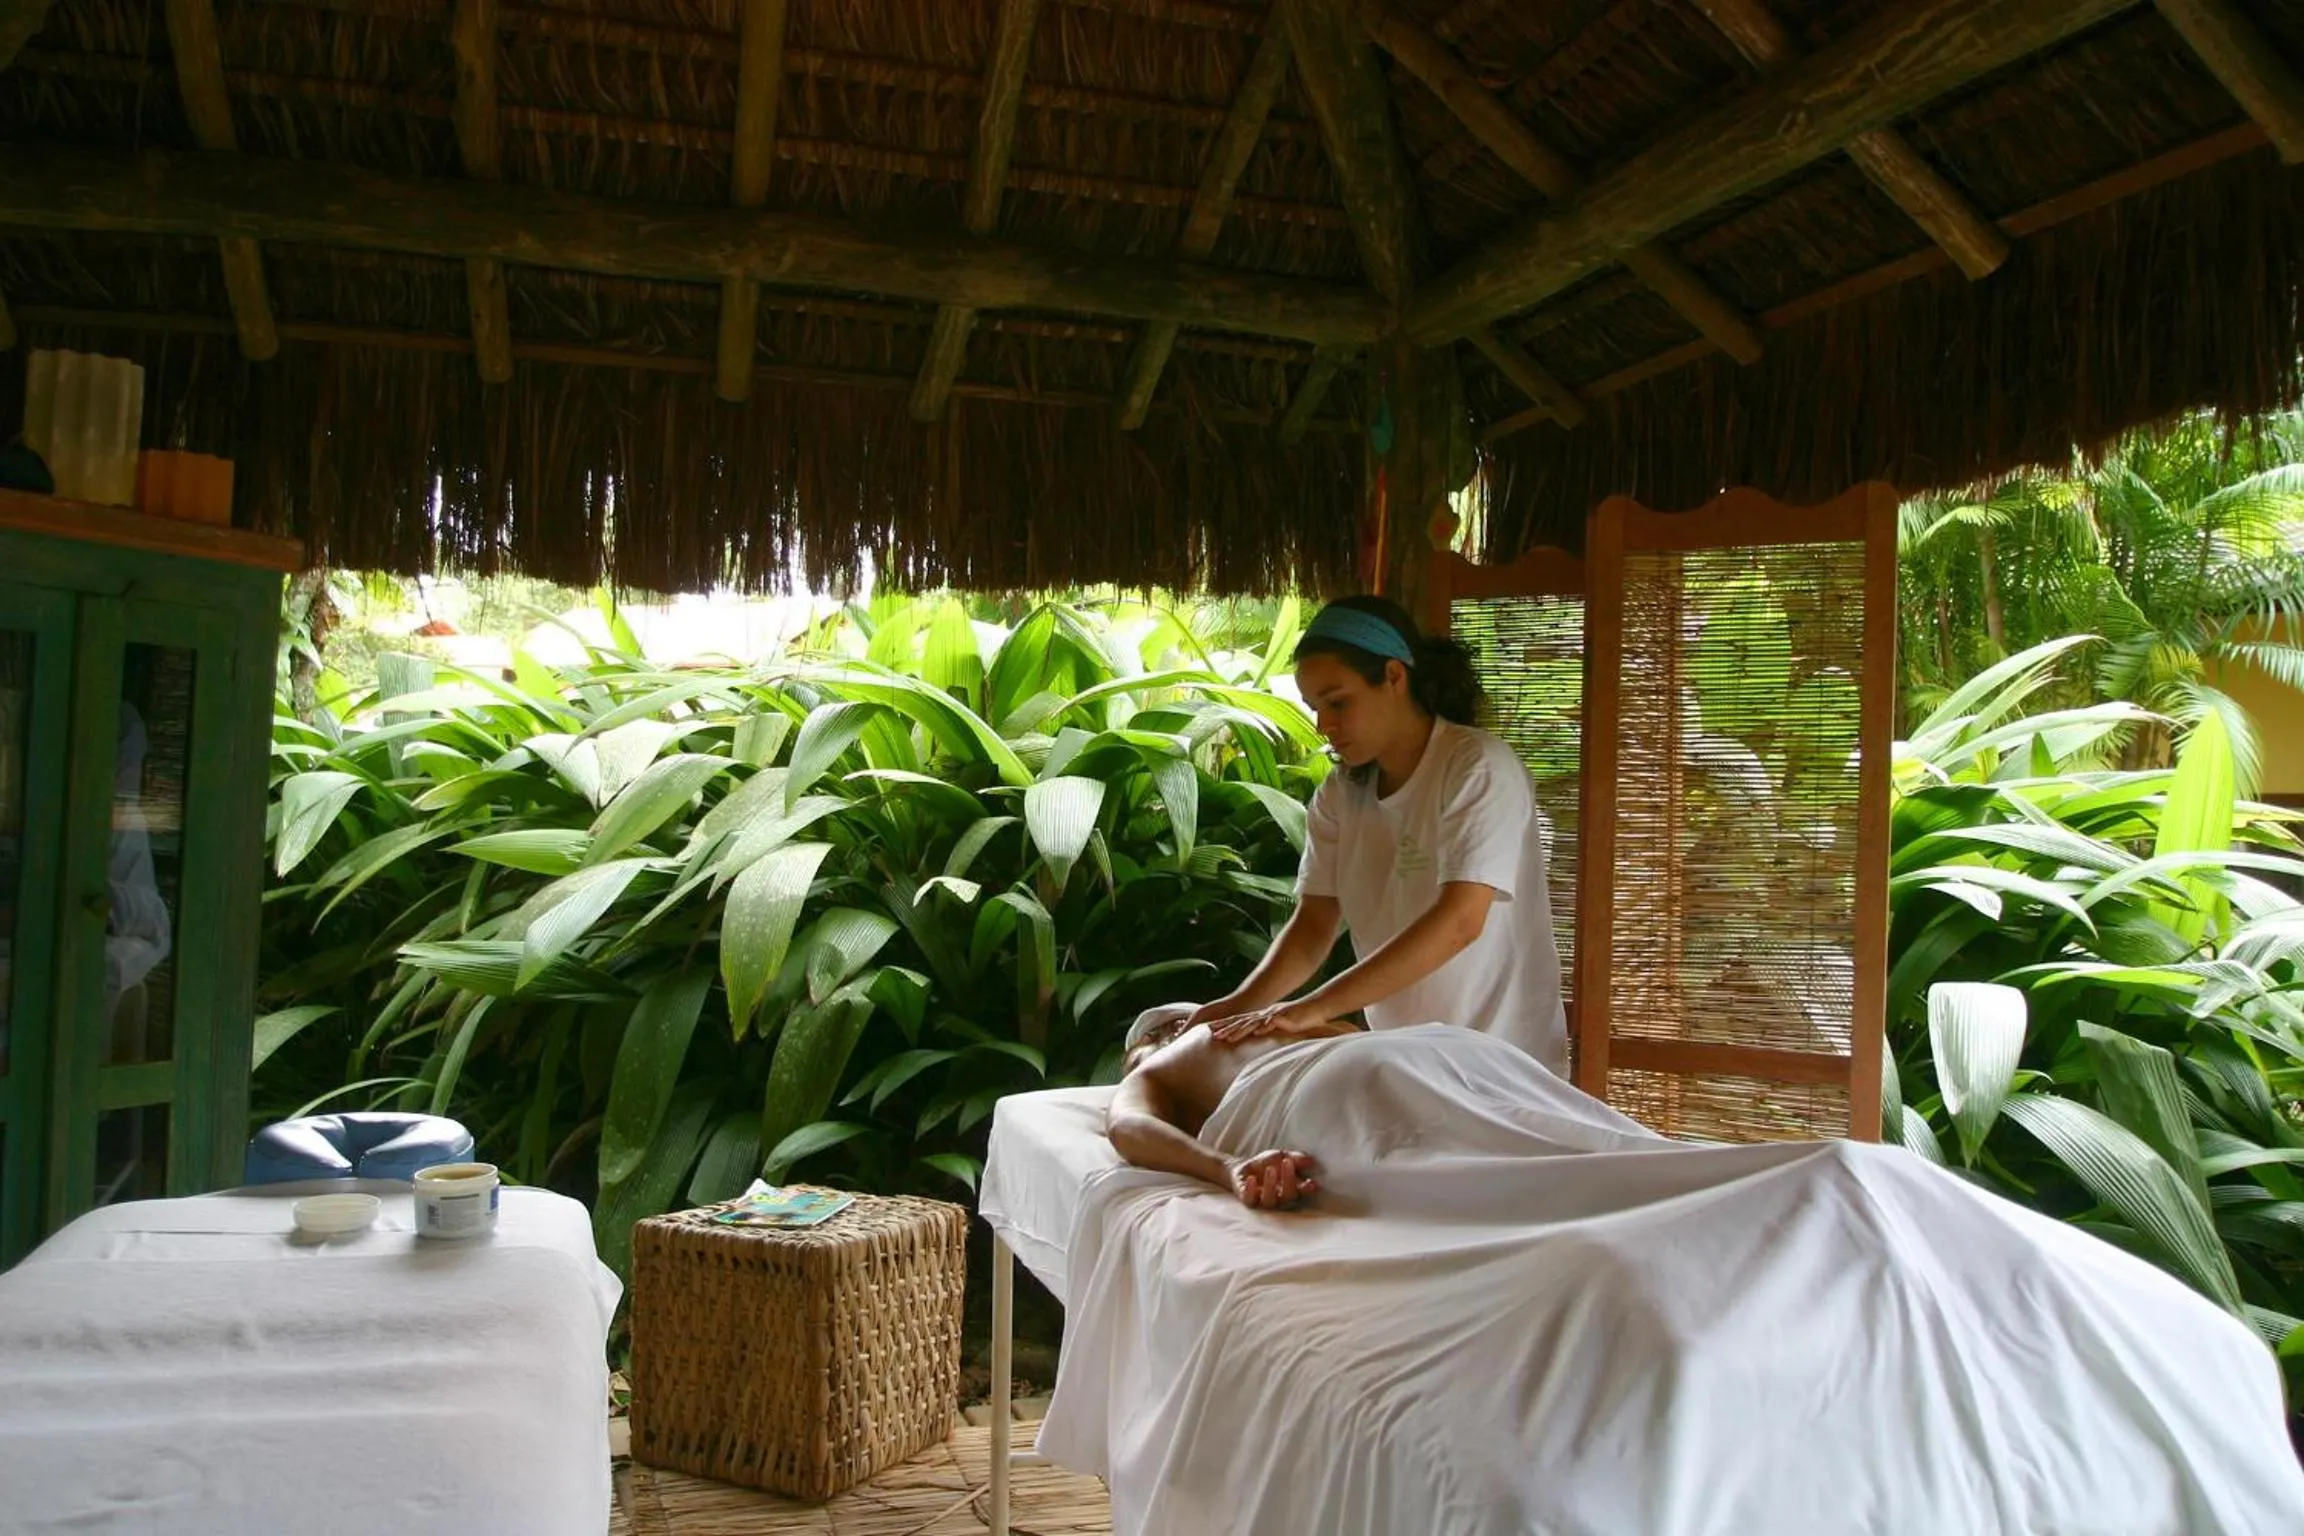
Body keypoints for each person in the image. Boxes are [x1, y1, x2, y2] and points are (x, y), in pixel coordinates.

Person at [1190, 596, 1567, 1072]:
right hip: (1404, 1058)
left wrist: (1314, 1008)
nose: (1324, 724)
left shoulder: (1477, 767)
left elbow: (1459, 922)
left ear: (1394, 676)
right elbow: (1313, 928)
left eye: (1338, 701)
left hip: (1501, 1060)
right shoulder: (1340, 795)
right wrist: (1235, 1006)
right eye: (1314, 707)